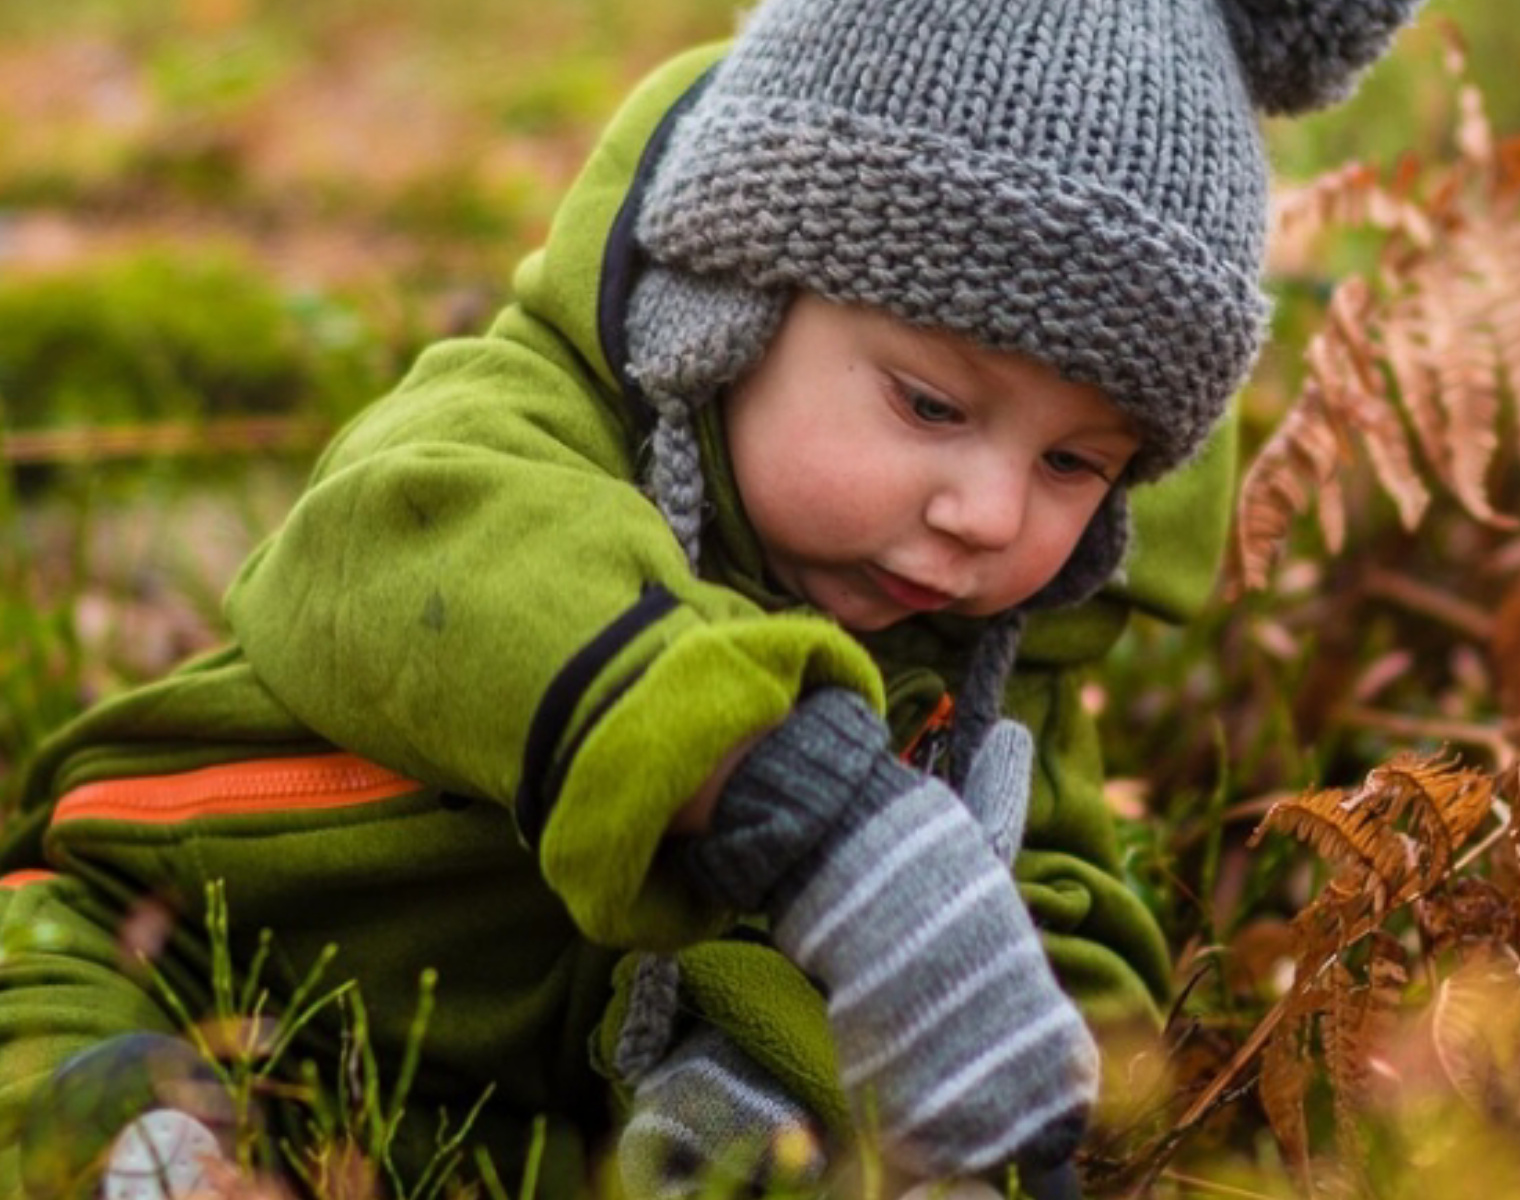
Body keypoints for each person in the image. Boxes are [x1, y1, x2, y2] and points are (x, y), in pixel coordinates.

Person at [0, 0, 1418, 1195]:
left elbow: (1058, 924)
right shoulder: (517, 433)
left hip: (505, 1115)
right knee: (54, 1027)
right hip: (174, 925)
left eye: (1073, 463)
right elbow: (386, 558)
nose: (987, 513)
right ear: (728, 302)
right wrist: (794, 802)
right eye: (930, 404)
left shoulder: (988, 652)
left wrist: (917, 1072)